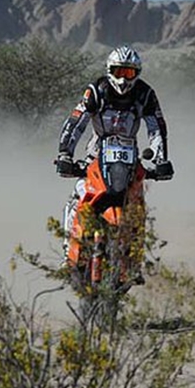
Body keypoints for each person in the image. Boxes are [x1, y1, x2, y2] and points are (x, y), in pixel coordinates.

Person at [54, 45, 174, 273]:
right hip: (96, 153)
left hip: (130, 157)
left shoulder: (144, 94)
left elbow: (156, 127)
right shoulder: (97, 91)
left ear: (136, 74)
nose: (123, 78)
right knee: (78, 195)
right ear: (110, 70)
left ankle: (134, 262)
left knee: (137, 203)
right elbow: (76, 122)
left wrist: (161, 160)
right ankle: (68, 253)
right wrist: (65, 154)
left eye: (128, 73)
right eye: (119, 71)